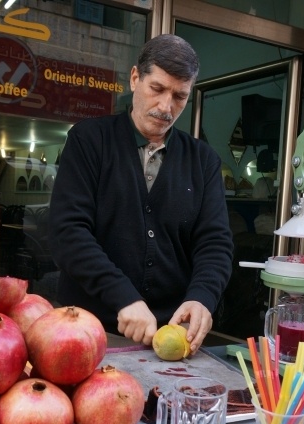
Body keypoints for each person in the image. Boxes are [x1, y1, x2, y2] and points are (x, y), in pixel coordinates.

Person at [48, 34, 234, 352]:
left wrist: (202, 296)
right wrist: (123, 296)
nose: (166, 107)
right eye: (157, 89)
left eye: (180, 96)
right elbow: (68, 233)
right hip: (86, 332)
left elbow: (214, 243)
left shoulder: (203, 161)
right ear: (136, 78)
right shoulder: (89, 141)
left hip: (172, 338)